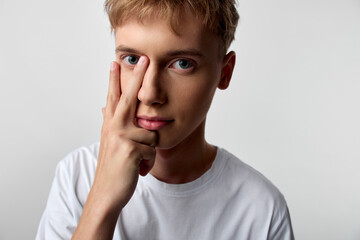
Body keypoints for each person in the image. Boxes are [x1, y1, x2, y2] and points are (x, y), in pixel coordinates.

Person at [36, 0, 294, 239]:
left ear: (224, 73)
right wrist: (103, 199)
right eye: (132, 59)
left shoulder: (262, 208)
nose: (149, 93)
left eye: (182, 63)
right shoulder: (76, 176)